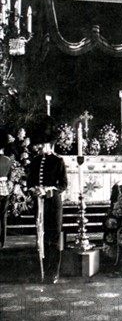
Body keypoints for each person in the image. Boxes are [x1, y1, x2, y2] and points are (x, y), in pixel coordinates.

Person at [27, 117, 68, 283]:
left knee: (53, 236)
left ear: (50, 145)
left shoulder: (58, 161)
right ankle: (42, 268)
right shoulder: (36, 161)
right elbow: (30, 182)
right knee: (40, 236)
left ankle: (53, 271)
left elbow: (63, 185)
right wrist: (33, 190)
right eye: (40, 144)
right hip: (39, 203)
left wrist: (48, 190)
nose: (41, 147)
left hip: (53, 204)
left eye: (44, 144)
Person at [0, 128, 12, 248]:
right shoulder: (7, 160)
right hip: (4, 189)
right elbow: (9, 176)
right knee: (3, 217)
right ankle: (2, 240)